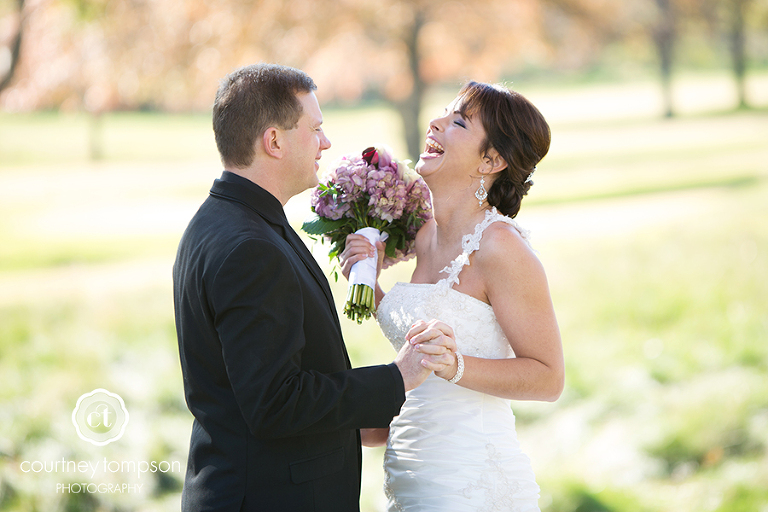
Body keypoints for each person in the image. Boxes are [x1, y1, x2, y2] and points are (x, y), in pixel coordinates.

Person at [172, 63, 455, 512]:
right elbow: (275, 402)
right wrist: (396, 379)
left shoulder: (224, 221)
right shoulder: (250, 247)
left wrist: (359, 425)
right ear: (274, 141)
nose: (325, 142)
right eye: (316, 129)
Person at [340, 81, 565, 511]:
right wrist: (368, 284)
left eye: (458, 121)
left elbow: (549, 378)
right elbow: (418, 345)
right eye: (444, 113)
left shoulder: (501, 249)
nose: (436, 123)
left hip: (468, 480)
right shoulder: (423, 234)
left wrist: (456, 365)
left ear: (491, 160)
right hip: (410, 477)